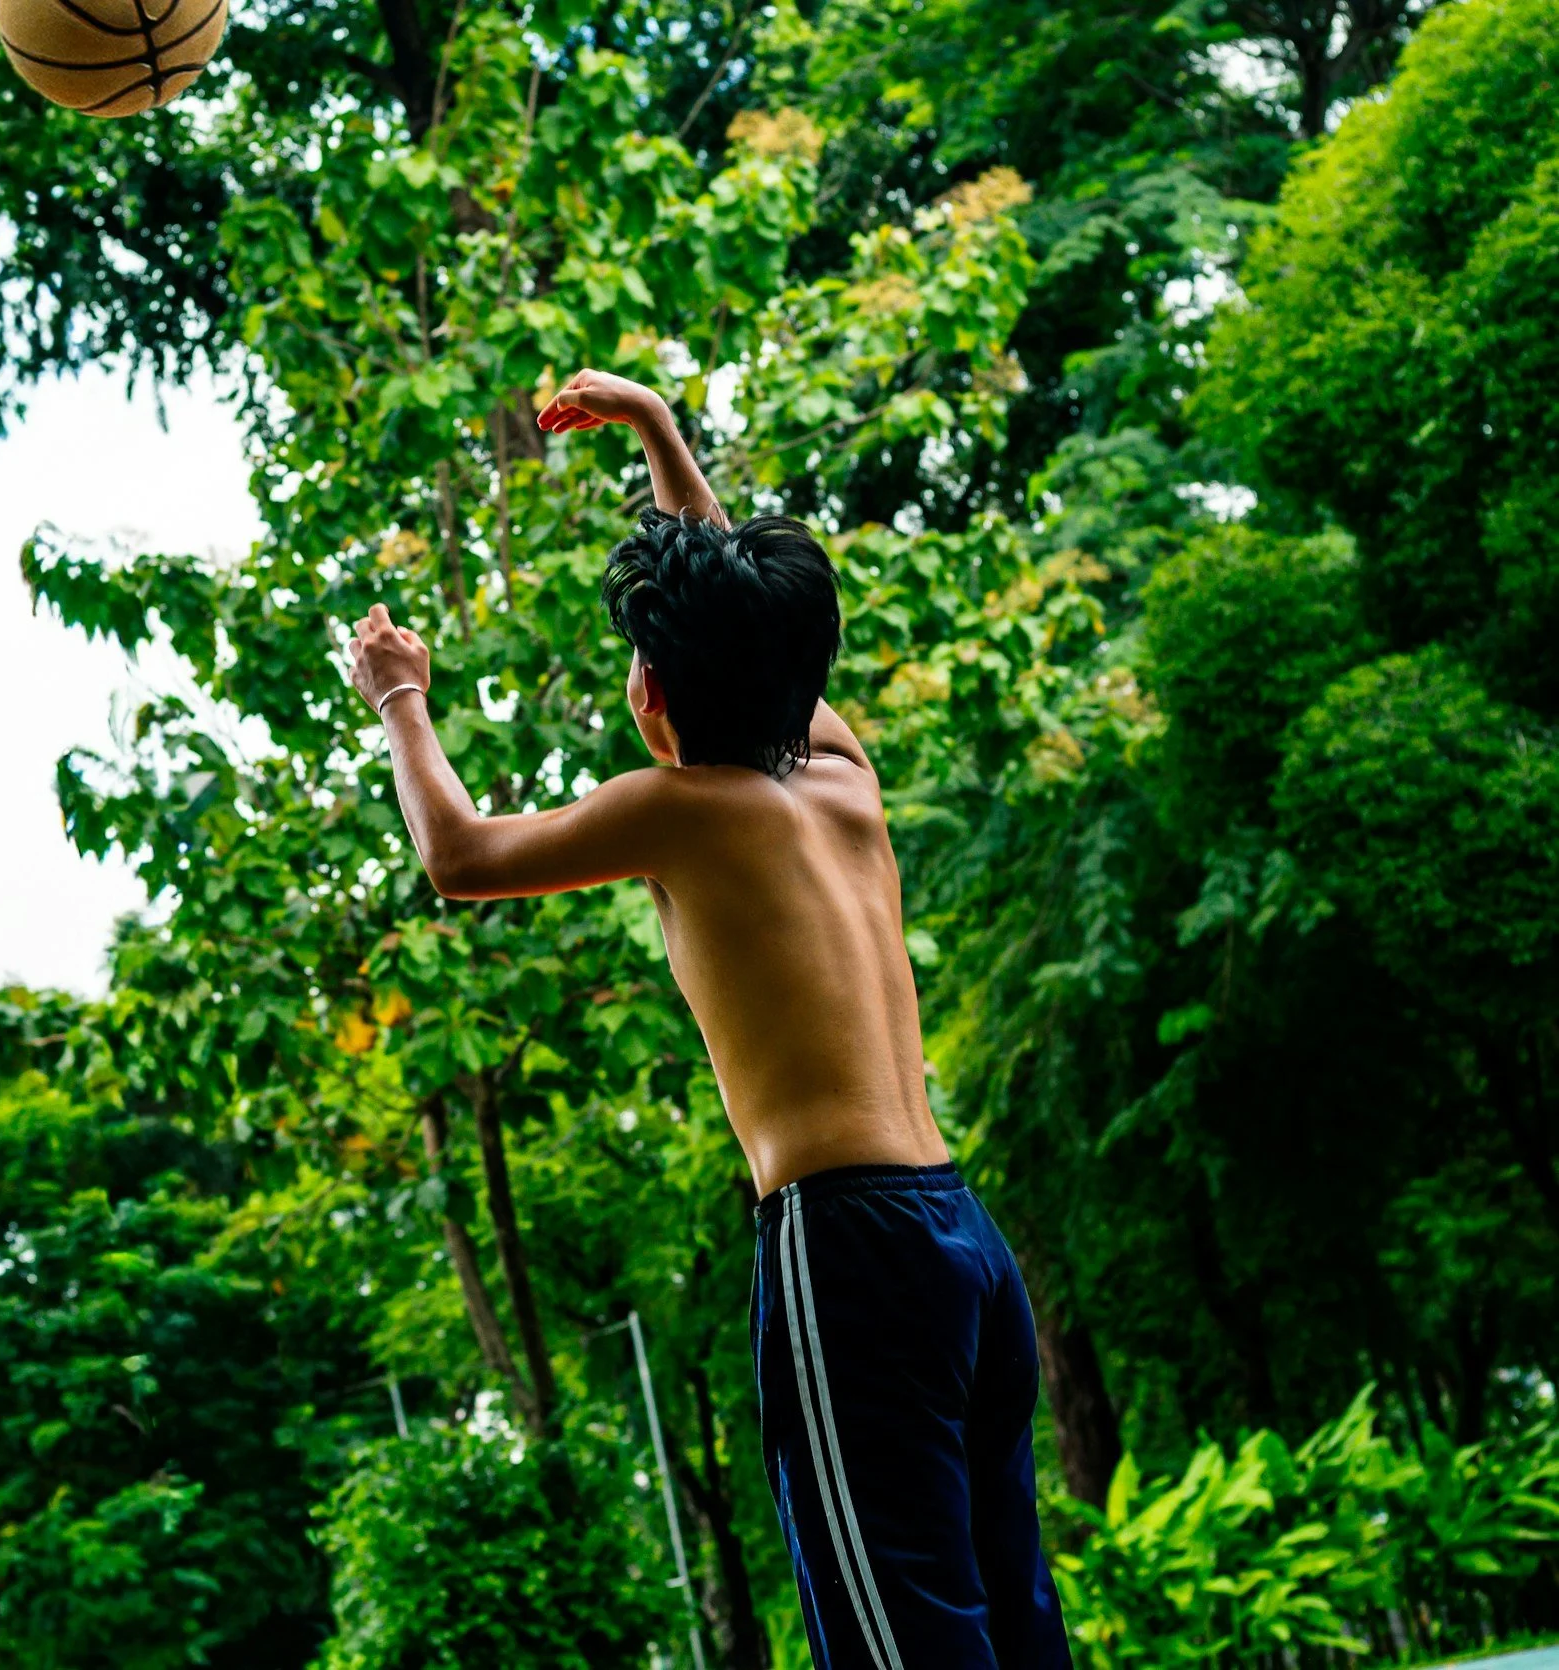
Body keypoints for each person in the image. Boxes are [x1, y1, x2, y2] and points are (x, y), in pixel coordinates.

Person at [343, 367, 1075, 1670]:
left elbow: (457, 856)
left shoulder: (678, 810)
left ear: (659, 697)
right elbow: (758, 638)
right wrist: (654, 426)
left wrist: (402, 695)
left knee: (906, 1638)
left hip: (848, 1250)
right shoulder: (845, 782)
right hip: (966, 1242)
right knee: (1011, 1619)